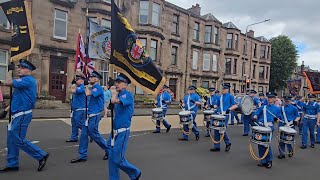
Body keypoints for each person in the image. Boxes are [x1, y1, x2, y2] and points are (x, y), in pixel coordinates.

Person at [0, 60, 49, 173]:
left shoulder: (28, 80)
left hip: (22, 114)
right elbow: (17, 99)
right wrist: (6, 111)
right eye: (18, 67)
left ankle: (41, 155)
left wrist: (9, 71)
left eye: (22, 67)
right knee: (11, 140)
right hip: (15, 114)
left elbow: (8, 82)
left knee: (18, 139)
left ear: (29, 71)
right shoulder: (22, 82)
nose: (19, 69)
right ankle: (12, 164)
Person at [108, 73, 141, 180]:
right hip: (114, 131)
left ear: (125, 85)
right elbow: (110, 107)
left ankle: (135, 173)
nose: (116, 84)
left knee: (118, 159)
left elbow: (114, 101)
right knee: (112, 157)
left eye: (119, 82)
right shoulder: (118, 94)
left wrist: (113, 93)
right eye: (116, 82)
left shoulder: (128, 95)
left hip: (122, 131)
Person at [71, 71, 109, 163]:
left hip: (95, 115)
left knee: (94, 134)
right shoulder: (93, 88)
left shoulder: (98, 88)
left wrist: (85, 86)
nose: (90, 78)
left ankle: (109, 150)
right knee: (84, 135)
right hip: (88, 115)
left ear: (96, 79)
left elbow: (87, 93)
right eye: (90, 77)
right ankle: (82, 155)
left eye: (92, 77)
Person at [253, 92, 282, 169]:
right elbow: (257, 113)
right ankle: (263, 160)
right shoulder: (263, 107)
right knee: (260, 143)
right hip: (261, 126)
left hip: (269, 127)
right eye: (268, 97)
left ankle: (269, 161)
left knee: (267, 144)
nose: (270, 99)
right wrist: (255, 117)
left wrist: (276, 120)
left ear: (274, 99)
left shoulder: (277, 109)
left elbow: (278, 119)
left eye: (271, 98)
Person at [210, 84, 238, 152]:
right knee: (216, 130)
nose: (223, 90)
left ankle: (228, 143)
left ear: (227, 89)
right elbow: (218, 106)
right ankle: (217, 146)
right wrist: (213, 106)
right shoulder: (220, 97)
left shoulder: (230, 96)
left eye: (224, 89)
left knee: (222, 130)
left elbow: (235, 105)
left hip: (225, 115)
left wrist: (229, 109)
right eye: (222, 89)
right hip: (219, 115)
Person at [66, 72, 87, 143]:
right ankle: (74, 137)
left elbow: (72, 90)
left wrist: (72, 86)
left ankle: (89, 133)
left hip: (80, 108)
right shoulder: (78, 86)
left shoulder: (82, 87)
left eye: (78, 79)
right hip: (74, 108)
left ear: (82, 80)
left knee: (78, 123)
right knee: (74, 124)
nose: (76, 81)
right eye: (76, 79)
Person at [278, 94, 300, 159]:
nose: (287, 102)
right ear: (284, 100)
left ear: (290, 101)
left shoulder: (294, 108)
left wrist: (295, 121)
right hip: (282, 125)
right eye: (286, 100)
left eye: (288, 101)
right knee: (281, 140)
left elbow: (298, 116)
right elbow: (278, 116)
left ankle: (290, 150)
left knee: (288, 139)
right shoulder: (281, 108)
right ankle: (281, 154)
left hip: (290, 125)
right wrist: (276, 119)